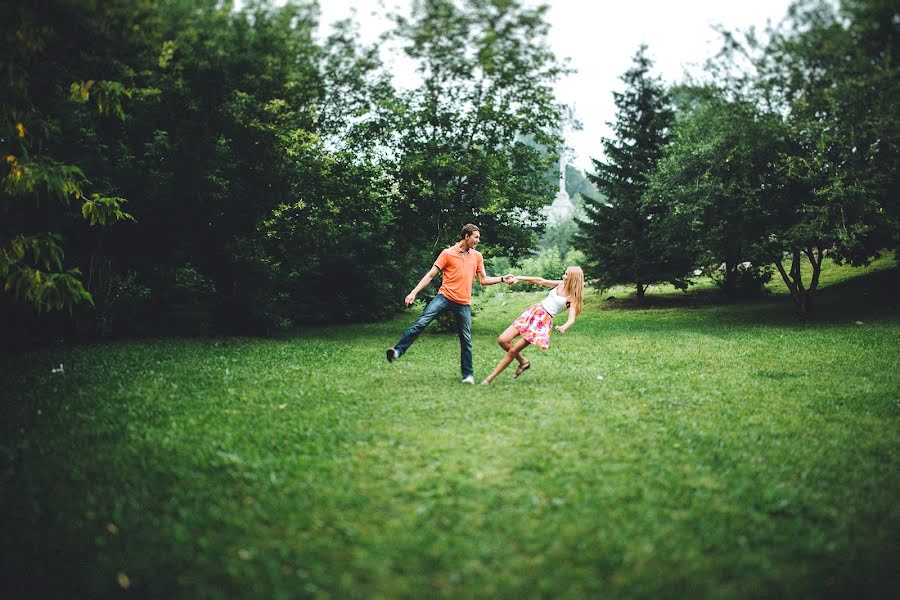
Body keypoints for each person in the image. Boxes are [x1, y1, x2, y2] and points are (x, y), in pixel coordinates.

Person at [386, 224, 512, 384]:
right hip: (444, 298)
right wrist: (413, 292)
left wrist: (502, 279)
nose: (478, 241)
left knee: (466, 339)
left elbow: (483, 280)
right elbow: (431, 275)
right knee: (421, 322)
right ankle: (397, 351)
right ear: (467, 236)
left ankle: (468, 376)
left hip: (463, 303)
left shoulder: (477, 256)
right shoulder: (447, 254)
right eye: (476, 237)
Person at [481, 266, 584, 385]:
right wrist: (519, 278)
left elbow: (571, 319)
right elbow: (540, 280)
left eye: (566, 275)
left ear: (573, 278)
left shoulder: (573, 297)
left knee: (513, 351)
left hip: (542, 323)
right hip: (533, 312)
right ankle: (523, 362)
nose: (563, 276)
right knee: (502, 340)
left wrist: (563, 327)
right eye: (564, 273)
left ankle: (490, 379)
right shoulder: (560, 284)